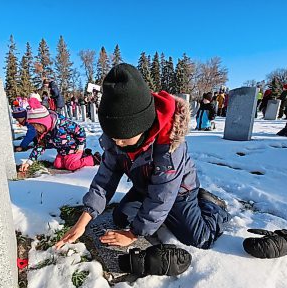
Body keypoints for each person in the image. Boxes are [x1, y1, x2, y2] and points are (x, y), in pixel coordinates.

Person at [55, 64, 230, 250]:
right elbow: (104, 180)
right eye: (113, 137)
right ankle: (164, 217)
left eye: (123, 138)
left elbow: (163, 194)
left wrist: (133, 234)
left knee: (199, 238)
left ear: (142, 126)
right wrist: (84, 219)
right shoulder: (116, 141)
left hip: (179, 192)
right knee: (121, 218)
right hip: (145, 187)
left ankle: (212, 207)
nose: (118, 143)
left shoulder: (168, 144)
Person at [19, 98, 100, 172]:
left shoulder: (62, 124)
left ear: (42, 123)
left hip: (74, 148)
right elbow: (40, 146)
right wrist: (29, 162)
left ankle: (93, 158)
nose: (35, 129)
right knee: (58, 164)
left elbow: (80, 131)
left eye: (36, 126)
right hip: (63, 151)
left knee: (71, 165)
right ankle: (75, 158)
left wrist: (81, 147)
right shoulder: (43, 132)